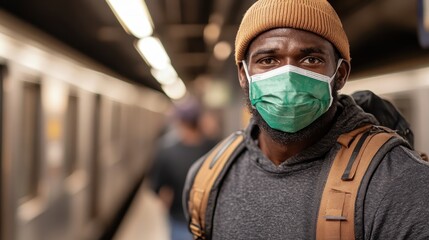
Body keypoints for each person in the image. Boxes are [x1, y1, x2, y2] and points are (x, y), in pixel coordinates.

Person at [183, 0, 429, 239]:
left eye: (311, 60)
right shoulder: (208, 180)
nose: (288, 78)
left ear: (340, 74)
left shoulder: (401, 184)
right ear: (243, 75)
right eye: (268, 60)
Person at [150, 98, 217, 240]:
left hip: (180, 221)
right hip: (211, 222)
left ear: (180, 122)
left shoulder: (166, 151)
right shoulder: (215, 149)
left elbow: (159, 189)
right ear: (199, 121)